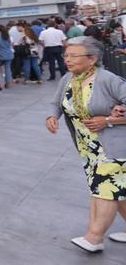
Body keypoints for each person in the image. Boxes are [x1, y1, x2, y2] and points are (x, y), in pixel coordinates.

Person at [45, 37, 126, 253]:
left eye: (73, 56)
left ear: (92, 59)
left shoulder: (109, 79)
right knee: (110, 190)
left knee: (105, 188)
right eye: (66, 55)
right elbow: (56, 102)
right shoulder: (69, 79)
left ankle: (94, 237)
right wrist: (52, 117)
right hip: (88, 147)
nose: (67, 60)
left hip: (113, 145)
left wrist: (108, 120)